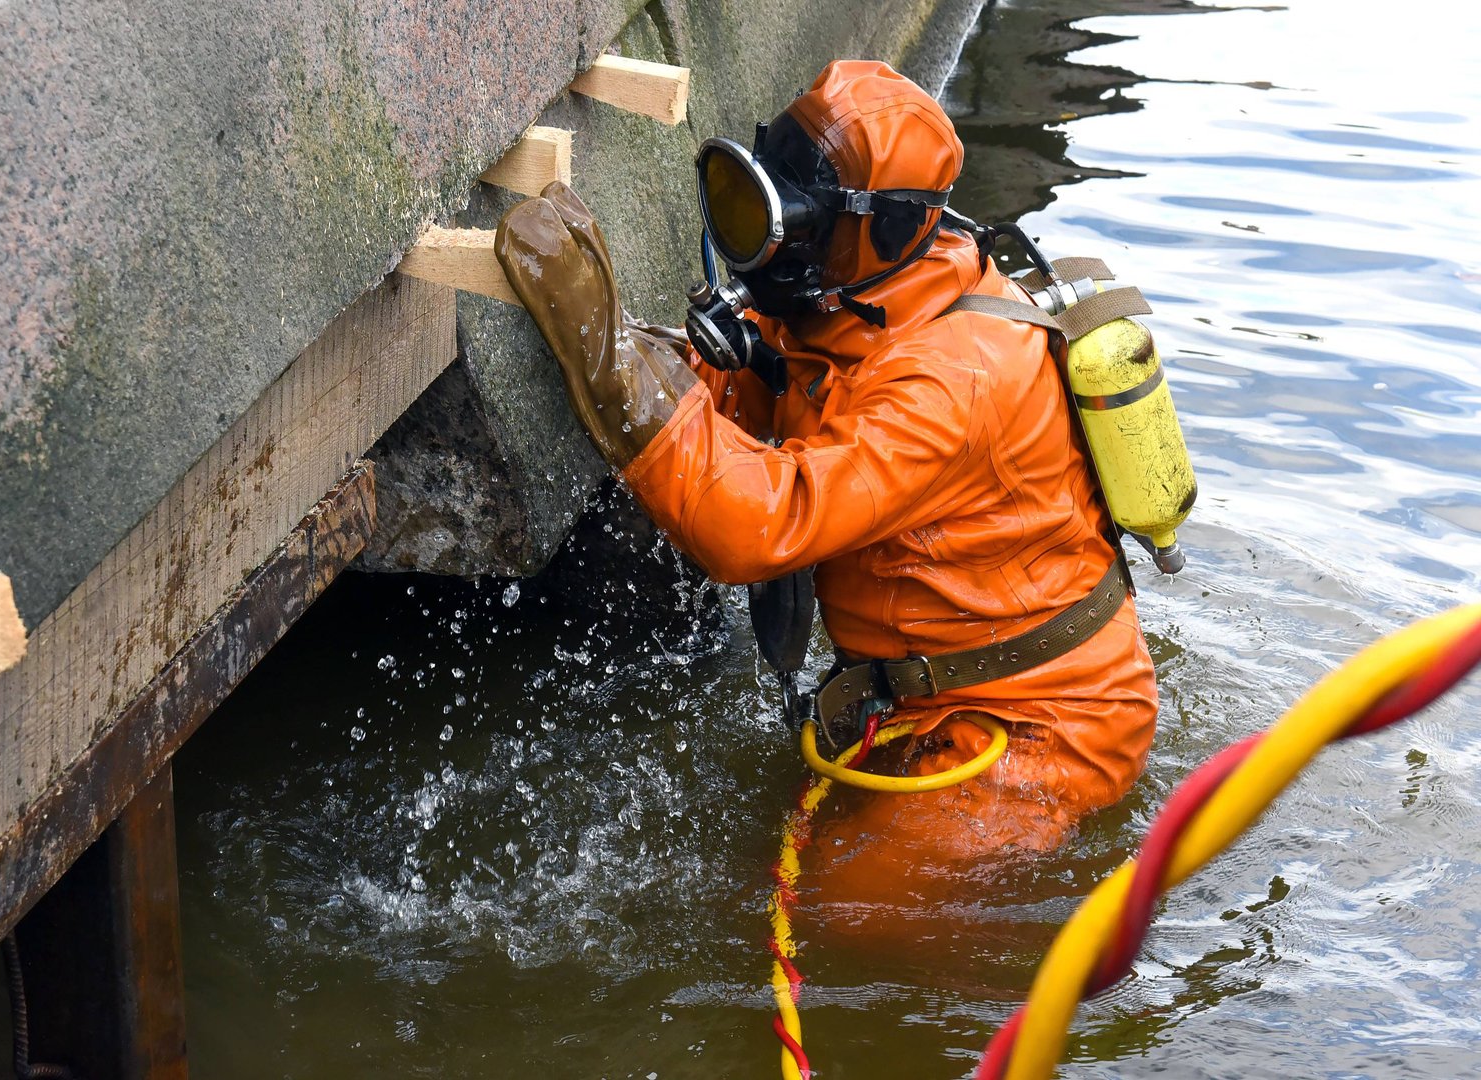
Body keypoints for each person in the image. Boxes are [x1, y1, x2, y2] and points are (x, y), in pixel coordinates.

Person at [494, 60, 1158, 906]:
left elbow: (758, 522)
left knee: (835, 920)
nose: (776, 248)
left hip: (1039, 731)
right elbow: (766, 395)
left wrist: (622, 375)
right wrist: (684, 362)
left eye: (801, 226)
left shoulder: (951, 382)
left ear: (883, 230)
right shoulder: (860, 293)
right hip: (918, 694)